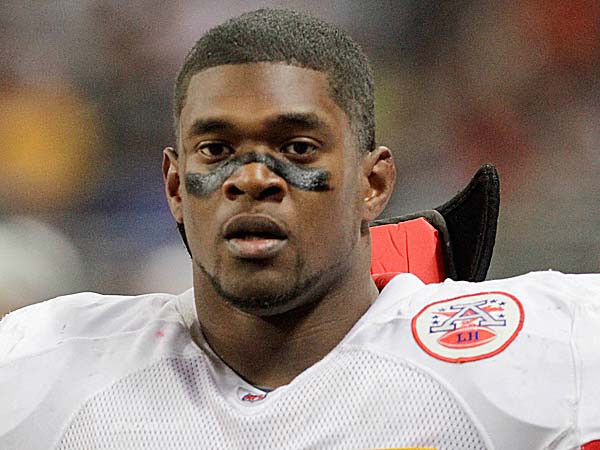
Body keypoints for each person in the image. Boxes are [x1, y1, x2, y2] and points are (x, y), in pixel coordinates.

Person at [0, 9, 599, 450]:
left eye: (297, 147)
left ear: (374, 184)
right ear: (176, 188)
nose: (254, 178)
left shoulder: (544, 344)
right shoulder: (44, 365)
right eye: (215, 149)